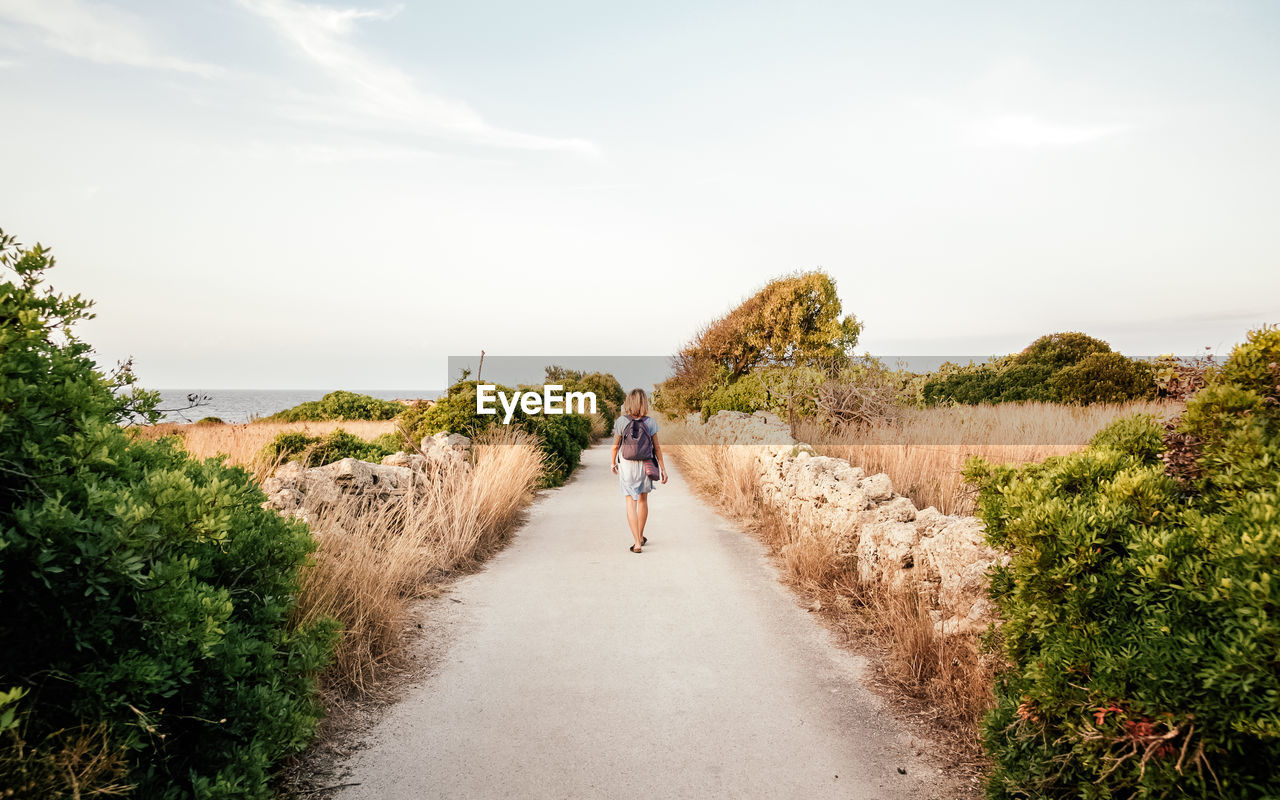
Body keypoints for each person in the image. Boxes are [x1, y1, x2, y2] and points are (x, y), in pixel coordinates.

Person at [610, 388, 667, 553]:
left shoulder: (621, 422)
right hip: (645, 465)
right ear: (644, 403)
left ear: (628, 402)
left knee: (630, 502)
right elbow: (657, 449)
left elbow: (615, 447)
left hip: (627, 466)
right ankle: (640, 536)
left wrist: (612, 463)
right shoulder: (650, 422)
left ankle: (636, 542)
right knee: (643, 501)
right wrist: (663, 469)